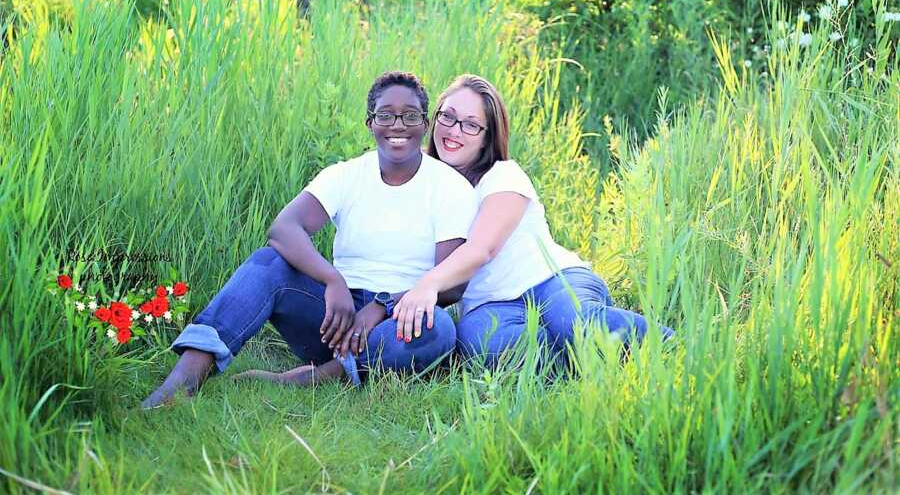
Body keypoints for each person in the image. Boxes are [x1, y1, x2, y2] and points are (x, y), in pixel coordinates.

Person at [141, 71, 478, 409]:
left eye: (410, 115)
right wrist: (332, 281)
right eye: (386, 115)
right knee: (267, 263)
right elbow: (284, 228)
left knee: (439, 330)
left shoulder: (449, 187)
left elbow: (451, 286)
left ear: (424, 123)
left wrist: (381, 307)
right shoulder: (346, 175)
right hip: (337, 320)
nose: (398, 125)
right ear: (370, 122)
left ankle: (315, 377)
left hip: (400, 321)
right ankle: (183, 380)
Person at [394, 74, 673, 368]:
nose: (454, 131)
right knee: (493, 350)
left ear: (488, 136)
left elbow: (481, 249)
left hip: (552, 280)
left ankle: (674, 348)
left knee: (576, 324)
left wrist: (428, 284)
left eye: (471, 124)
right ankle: (578, 373)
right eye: (447, 117)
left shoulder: (502, 175)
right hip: (488, 305)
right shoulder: (423, 184)